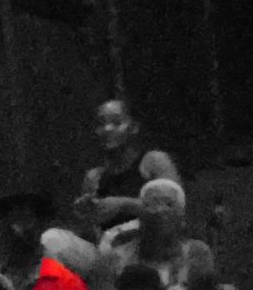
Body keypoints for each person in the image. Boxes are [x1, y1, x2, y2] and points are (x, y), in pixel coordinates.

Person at [94, 178, 215, 290]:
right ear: (139, 212)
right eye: (151, 204)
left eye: (169, 204)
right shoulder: (115, 258)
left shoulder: (197, 254)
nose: (159, 210)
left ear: (182, 215)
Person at [76, 97, 181, 238]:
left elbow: (174, 211)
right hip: (107, 246)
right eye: (101, 123)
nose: (107, 129)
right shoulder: (94, 177)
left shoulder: (154, 161)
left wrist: (123, 205)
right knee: (52, 238)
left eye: (116, 122)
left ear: (134, 127)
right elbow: (89, 235)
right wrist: (85, 214)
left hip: (148, 243)